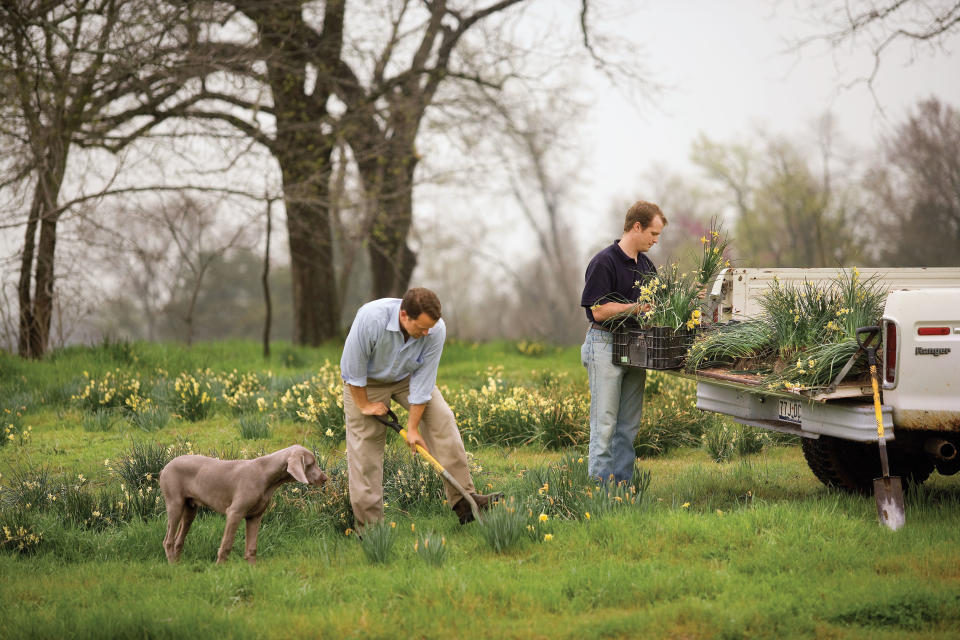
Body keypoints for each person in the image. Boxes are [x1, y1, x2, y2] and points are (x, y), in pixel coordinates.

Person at [340, 287, 501, 527]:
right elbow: (352, 369)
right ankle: (371, 529)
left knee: (442, 421)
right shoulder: (371, 319)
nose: (427, 333)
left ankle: (465, 501)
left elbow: (423, 383)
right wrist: (365, 405)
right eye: (421, 328)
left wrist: (413, 428)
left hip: (408, 378)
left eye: (430, 327)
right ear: (404, 316)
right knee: (366, 451)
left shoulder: (435, 330)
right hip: (366, 382)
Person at [580, 201, 667, 484]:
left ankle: (623, 490)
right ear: (637, 227)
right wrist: (637, 307)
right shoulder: (604, 262)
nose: (656, 240)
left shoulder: (646, 266)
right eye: (653, 233)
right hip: (604, 343)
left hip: (636, 347)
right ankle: (599, 492)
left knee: (628, 427)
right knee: (604, 425)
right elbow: (598, 310)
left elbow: (656, 307)